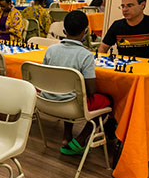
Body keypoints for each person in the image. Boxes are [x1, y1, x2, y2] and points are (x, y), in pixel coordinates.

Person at [42, 11, 112, 155]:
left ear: (64, 31)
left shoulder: (50, 50)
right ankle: (80, 140)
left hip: (46, 101)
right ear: (86, 31)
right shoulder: (85, 56)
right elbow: (91, 91)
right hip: (72, 106)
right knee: (106, 100)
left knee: (70, 91)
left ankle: (66, 136)